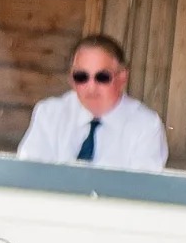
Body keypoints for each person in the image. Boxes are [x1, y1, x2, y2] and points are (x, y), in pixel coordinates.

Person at [15, 34, 169, 170]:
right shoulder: (49, 114)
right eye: (81, 77)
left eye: (102, 77)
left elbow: (142, 191)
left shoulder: (146, 126)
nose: (91, 87)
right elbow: (30, 174)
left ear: (122, 78)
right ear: (71, 79)